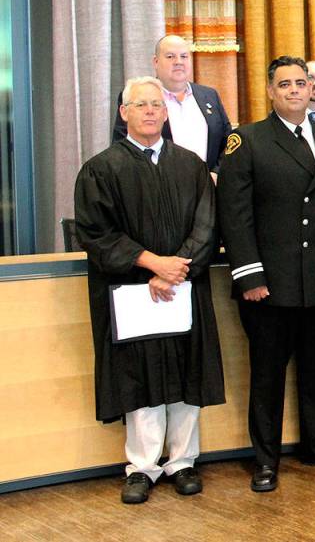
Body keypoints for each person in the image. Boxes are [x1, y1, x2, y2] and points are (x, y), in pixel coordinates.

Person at [74, 76, 224, 504]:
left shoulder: (189, 164)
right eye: (141, 105)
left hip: (182, 286)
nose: (151, 111)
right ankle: (142, 467)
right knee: (138, 379)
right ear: (124, 113)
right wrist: (152, 263)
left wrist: (177, 267)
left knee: (185, 372)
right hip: (131, 292)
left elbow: (207, 223)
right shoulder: (102, 169)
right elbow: (96, 233)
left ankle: (183, 462)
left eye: (157, 104)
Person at [217, 56, 315, 493]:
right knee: (267, 375)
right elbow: (234, 216)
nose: (296, 90)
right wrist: (249, 276)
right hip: (269, 284)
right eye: (286, 84)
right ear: (270, 91)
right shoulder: (248, 139)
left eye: (302, 82)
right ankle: (266, 459)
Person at [113, 35, 232, 174]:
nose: (178, 62)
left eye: (184, 56)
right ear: (156, 62)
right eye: (170, 57)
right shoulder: (136, 97)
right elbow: (123, 147)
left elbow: (228, 142)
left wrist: (217, 173)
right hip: (159, 188)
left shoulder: (210, 96)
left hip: (208, 188)